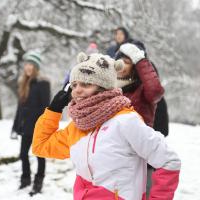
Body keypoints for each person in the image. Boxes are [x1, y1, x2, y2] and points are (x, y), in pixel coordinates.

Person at [32, 52, 180, 199]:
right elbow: (41, 146)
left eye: (86, 84)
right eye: (74, 84)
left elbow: (169, 161)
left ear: (103, 87)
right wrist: (53, 110)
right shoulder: (78, 126)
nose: (77, 90)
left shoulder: (126, 121)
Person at [115, 42, 166, 198]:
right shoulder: (110, 87)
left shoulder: (143, 89)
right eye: (121, 60)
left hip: (139, 155)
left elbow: (156, 91)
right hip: (115, 153)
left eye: (128, 61)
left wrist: (140, 59)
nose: (123, 65)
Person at [11, 51, 50, 195]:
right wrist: (15, 126)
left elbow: (46, 106)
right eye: (26, 64)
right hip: (25, 126)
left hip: (37, 126)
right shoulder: (22, 83)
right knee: (23, 154)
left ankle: (38, 182)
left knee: (40, 155)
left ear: (36, 67)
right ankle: (25, 179)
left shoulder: (43, 83)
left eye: (31, 65)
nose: (28, 67)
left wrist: (43, 125)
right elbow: (19, 108)